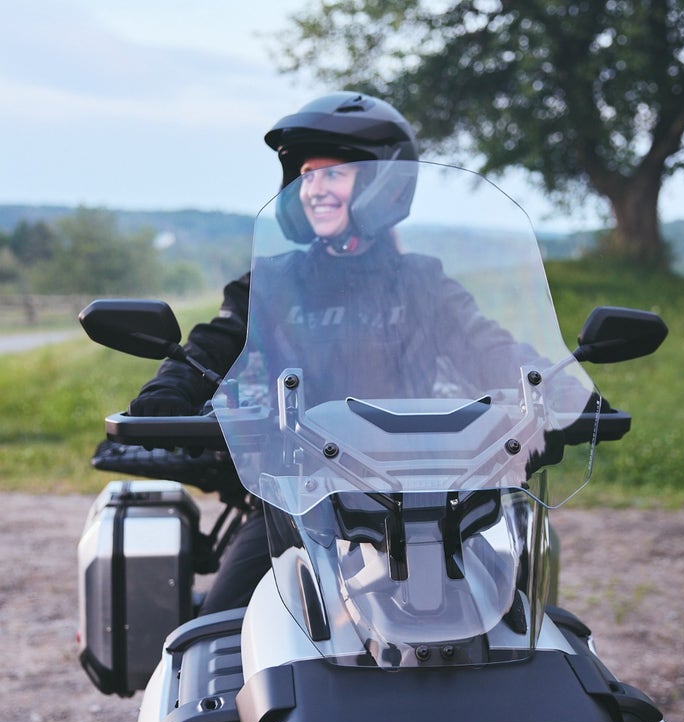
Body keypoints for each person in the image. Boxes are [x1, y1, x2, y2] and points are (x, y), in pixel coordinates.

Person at [129, 91, 534, 614]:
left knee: (505, 613)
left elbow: (486, 343)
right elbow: (214, 341)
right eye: (306, 176)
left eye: (332, 174)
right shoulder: (272, 282)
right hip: (296, 500)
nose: (313, 189)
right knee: (218, 628)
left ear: (380, 187)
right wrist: (171, 387)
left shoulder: (422, 282)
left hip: (421, 500)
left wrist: (552, 382)